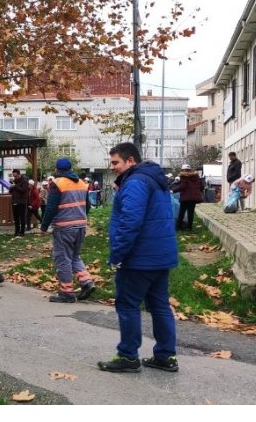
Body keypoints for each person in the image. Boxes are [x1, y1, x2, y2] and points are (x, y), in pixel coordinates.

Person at [98, 142, 178, 374]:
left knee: (128, 305)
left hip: (139, 257)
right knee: (159, 305)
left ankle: (128, 356)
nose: (112, 167)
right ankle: (166, 356)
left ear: (130, 161)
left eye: (115, 163)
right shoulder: (155, 180)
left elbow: (130, 222)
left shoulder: (135, 183)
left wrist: (117, 254)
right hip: (161, 254)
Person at [39, 158, 96, 303]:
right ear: (71, 169)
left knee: (63, 258)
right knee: (75, 256)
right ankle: (86, 282)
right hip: (81, 226)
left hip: (64, 227)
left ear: (57, 170)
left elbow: (51, 208)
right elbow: (87, 206)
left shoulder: (57, 184)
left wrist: (44, 227)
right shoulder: (82, 184)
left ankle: (67, 292)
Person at [174, 164, 204, 231]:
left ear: (182, 170)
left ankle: (179, 227)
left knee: (181, 212)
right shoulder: (197, 177)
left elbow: (183, 186)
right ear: (190, 170)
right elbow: (202, 187)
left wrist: (174, 190)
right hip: (194, 198)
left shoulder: (184, 176)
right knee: (191, 212)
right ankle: (189, 227)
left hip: (185, 198)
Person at [9, 169, 29, 237]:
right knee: (16, 218)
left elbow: (23, 190)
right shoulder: (14, 181)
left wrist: (15, 186)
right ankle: (17, 231)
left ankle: (22, 232)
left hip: (22, 202)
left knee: (22, 218)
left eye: (16, 176)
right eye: (14, 176)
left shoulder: (25, 182)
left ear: (19, 174)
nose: (15, 177)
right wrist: (11, 187)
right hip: (14, 201)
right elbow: (10, 191)